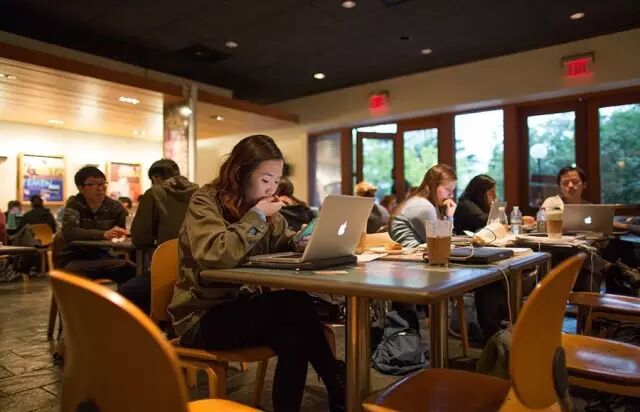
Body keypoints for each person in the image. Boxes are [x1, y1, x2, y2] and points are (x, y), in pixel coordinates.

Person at [168, 135, 345, 412]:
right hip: (201, 316)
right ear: (240, 173)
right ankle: (337, 382)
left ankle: (330, 390)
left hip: (243, 309)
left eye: (276, 180)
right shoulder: (205, 201)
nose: (271, 188)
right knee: (294, 302)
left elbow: (281, 239)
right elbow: (216, 254)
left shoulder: (262, 207)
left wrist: (299, 241)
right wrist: (258, 215)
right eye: (265, 179)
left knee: (294, 336)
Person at [541, 166, 640, 293]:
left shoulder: (590, 208)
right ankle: (611, 268)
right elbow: (542, 223)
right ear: (560, 187)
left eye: (575, 182)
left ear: (584, 184)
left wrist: (626, 227)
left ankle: (613, 274)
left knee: (592, 266)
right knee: (578, 250)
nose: (570, 186)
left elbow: (604, 229)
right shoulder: (552, 202)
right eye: (565, 183)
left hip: (586, 251)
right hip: (560, 250)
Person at [119, 159, 198, 313]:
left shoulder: (154, 193)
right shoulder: (200, 192)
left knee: (126, 292)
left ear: (155, 178)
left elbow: (140, 238)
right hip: (199, 268)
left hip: (168, 266)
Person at [57, 166, 135, 284]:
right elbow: (70, 232)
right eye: (93, 184)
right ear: (80, 188)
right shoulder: (75, 205)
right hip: (77, 258)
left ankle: (123, 297)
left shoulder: (115, 206)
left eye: (103, 183)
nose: (100, 188)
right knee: (74, 273)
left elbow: (128, 229)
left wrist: (123, 233)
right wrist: (103, 234)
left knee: (134, 272)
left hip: (107, 257)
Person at [389, 164, 457, 247]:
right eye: (447, 189)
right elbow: (441, 244)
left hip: (412, 253)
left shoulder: (419, 202)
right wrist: (449, 217)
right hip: (411, 254)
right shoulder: (424, 206)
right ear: (433, 186)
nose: (451, 195)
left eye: (452, 190)